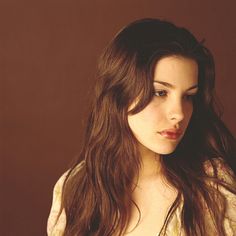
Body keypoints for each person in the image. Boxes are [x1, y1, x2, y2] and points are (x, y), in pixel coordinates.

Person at [47, 18, 236, 236]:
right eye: (160, 92)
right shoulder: (76, 187)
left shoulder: (212, 187)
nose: (179, 113)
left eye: (188, 96)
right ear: (120, 93)